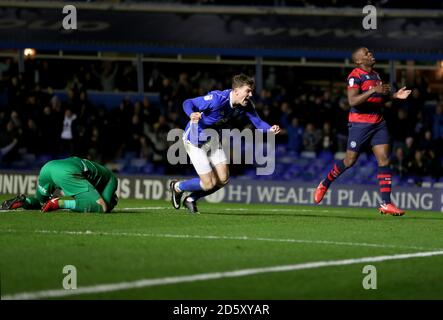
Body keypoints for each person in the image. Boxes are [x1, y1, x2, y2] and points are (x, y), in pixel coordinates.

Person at [314, 47, 411, 216]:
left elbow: (378, 98)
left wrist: (394, 96)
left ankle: (386, 203)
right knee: (350, 161)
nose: (371, 54)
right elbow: (352, 101)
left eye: (370, 52)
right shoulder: (355, 76)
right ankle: (326, 182)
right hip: (360, 125)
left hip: (378, 123)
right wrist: (373, 90)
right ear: (359, 61)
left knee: (384, 160)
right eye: (366, 53)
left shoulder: (375, 75)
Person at [170, 74, 281, 213]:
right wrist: (191, 114)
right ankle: (178, 186)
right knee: (208, 183)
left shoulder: (245, 105)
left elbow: (258, 123)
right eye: (248, 91)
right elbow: (188, 102)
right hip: (194, 141)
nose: (251, 94)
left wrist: (270, 129)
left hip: (212, 140)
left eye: (251, 91)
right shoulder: (217, 100)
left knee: (223, 179)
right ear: (236, 91)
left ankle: (191, 199)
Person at [1, 157, 118, 213]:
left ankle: (23, 201)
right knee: (102, 207)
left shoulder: (101, 174)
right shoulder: (111, 180)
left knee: (40, 201)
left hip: (48, 167)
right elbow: (104, 206)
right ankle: (58, 203)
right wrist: (109, 204)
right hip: (67, 171)